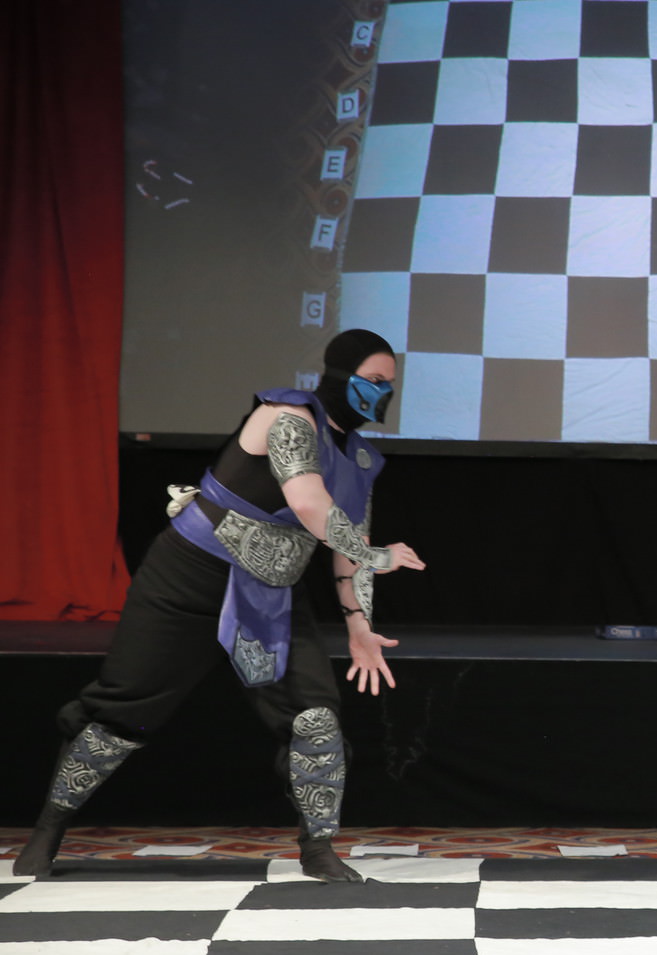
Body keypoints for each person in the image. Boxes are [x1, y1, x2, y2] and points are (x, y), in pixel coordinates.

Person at [12, 329, 425, 883]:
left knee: (315, 718)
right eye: (373, 380)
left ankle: (319, 849)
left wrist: (358, 625)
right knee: (124, 712)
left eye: (389, 384)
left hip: (273, 590)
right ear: (338, 375)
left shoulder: (361, 459)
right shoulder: (288, 417)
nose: (383, 393)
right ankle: (46, 832)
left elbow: (346, 550)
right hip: (188, 579)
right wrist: (378, 555)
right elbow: (309, 504)